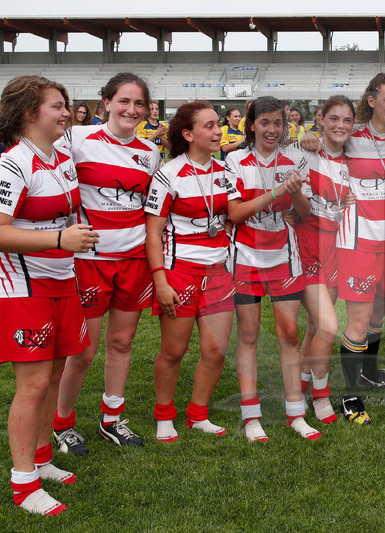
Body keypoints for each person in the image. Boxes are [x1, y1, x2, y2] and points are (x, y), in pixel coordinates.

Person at [0, 75, 98, 516]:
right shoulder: (13, 165)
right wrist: (58, 240)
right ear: (30, 114)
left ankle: (43, 458)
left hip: (60, 281)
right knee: (31, 386)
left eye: (66, 105)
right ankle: (23, 485)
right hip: (20, 287)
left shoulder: (60, 154)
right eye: (57, 106)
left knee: (52, 376)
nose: (66, 113)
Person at [52, 73, 161, 454]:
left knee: (122, 342)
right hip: (88, 260)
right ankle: (61, 423)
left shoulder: (150, 153)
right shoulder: (77, 139)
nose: (131, 110)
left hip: (133, 260)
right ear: (106, 103)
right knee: (82, 350)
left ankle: (112, 419)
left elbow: (150, 208)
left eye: (138, 103)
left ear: (147, 109)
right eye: (124, 101)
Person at [225, 95, 319, 442]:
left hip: (285, 257)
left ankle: (296, 413)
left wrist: (294, 195)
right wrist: (278, 190)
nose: (271, 129)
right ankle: (252, 417)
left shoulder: (295, 157)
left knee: (288, 335)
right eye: (264, 122)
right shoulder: (234, 159)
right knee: (248, 337)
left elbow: (305, 214)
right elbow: (234, 214)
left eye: (278, 123)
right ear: (251, 125)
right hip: (246, 259)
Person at [145, 101, 237, 442]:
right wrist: (160, 280)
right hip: (179, 272)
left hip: (218, 272)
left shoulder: (227, 172)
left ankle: (198, 414)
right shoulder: (168, 173)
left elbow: (234, 214)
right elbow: (152, 232)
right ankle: (164, 415)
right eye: (210, 126)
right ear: (188, 134)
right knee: (174, 351)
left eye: (218, 126)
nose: (218, 132)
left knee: (215, 351)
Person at [332, 73, 385, 424]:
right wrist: (314, 141)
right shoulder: (350, 136)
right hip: (358, 240)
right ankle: (350, 395)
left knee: (379, 314)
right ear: (371, 99)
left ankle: (369, 371)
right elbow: (317, 150)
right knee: (359, 321)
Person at [294, 95, 357, 425]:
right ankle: (321, 395)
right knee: (331, 326)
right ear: (320, 120)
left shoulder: (351, 160)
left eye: (347, 120)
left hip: (334, 250)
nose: (341, 126)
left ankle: (302, 387)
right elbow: (300, 210)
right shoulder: (308, 152)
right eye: (334, 119)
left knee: (317, 327)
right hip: (307, 249)